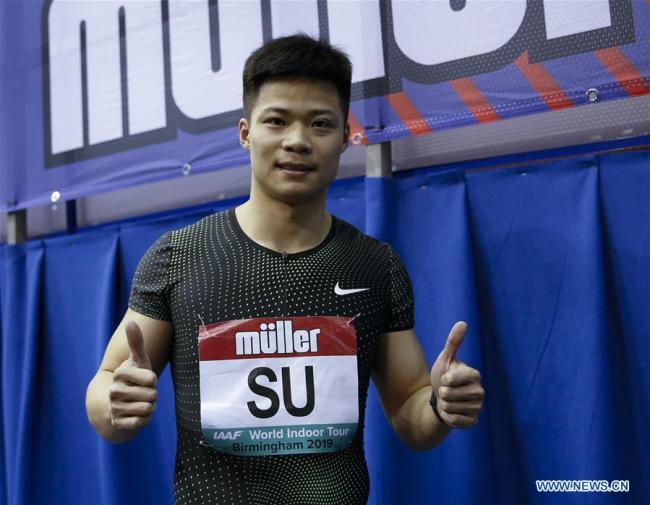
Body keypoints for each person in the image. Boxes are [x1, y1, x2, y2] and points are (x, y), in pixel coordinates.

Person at [86, 34, 484, 504]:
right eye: (276, 121)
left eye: (320, 123)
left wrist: (439, 405)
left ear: (344, 137)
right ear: (245, 132)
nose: (297, 141)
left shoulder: (376, 266)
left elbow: (410, 413)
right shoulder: (179, 256)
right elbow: (107, 387)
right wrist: (113, 402)